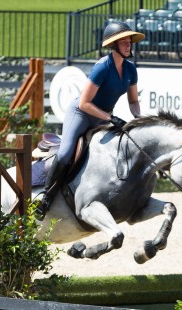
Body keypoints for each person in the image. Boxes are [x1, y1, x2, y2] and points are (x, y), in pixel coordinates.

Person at [36, 21, 145, 218]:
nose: (129, 45)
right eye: (124, 42)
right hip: (82, 114)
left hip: (103, 116)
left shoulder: (130, 69)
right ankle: (46, 196)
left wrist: (140, 118)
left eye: (130, 41)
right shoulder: (102, 67)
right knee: (65, 153)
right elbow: (84, 103)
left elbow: (134, 101)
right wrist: (110, 118)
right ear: (113, 45)